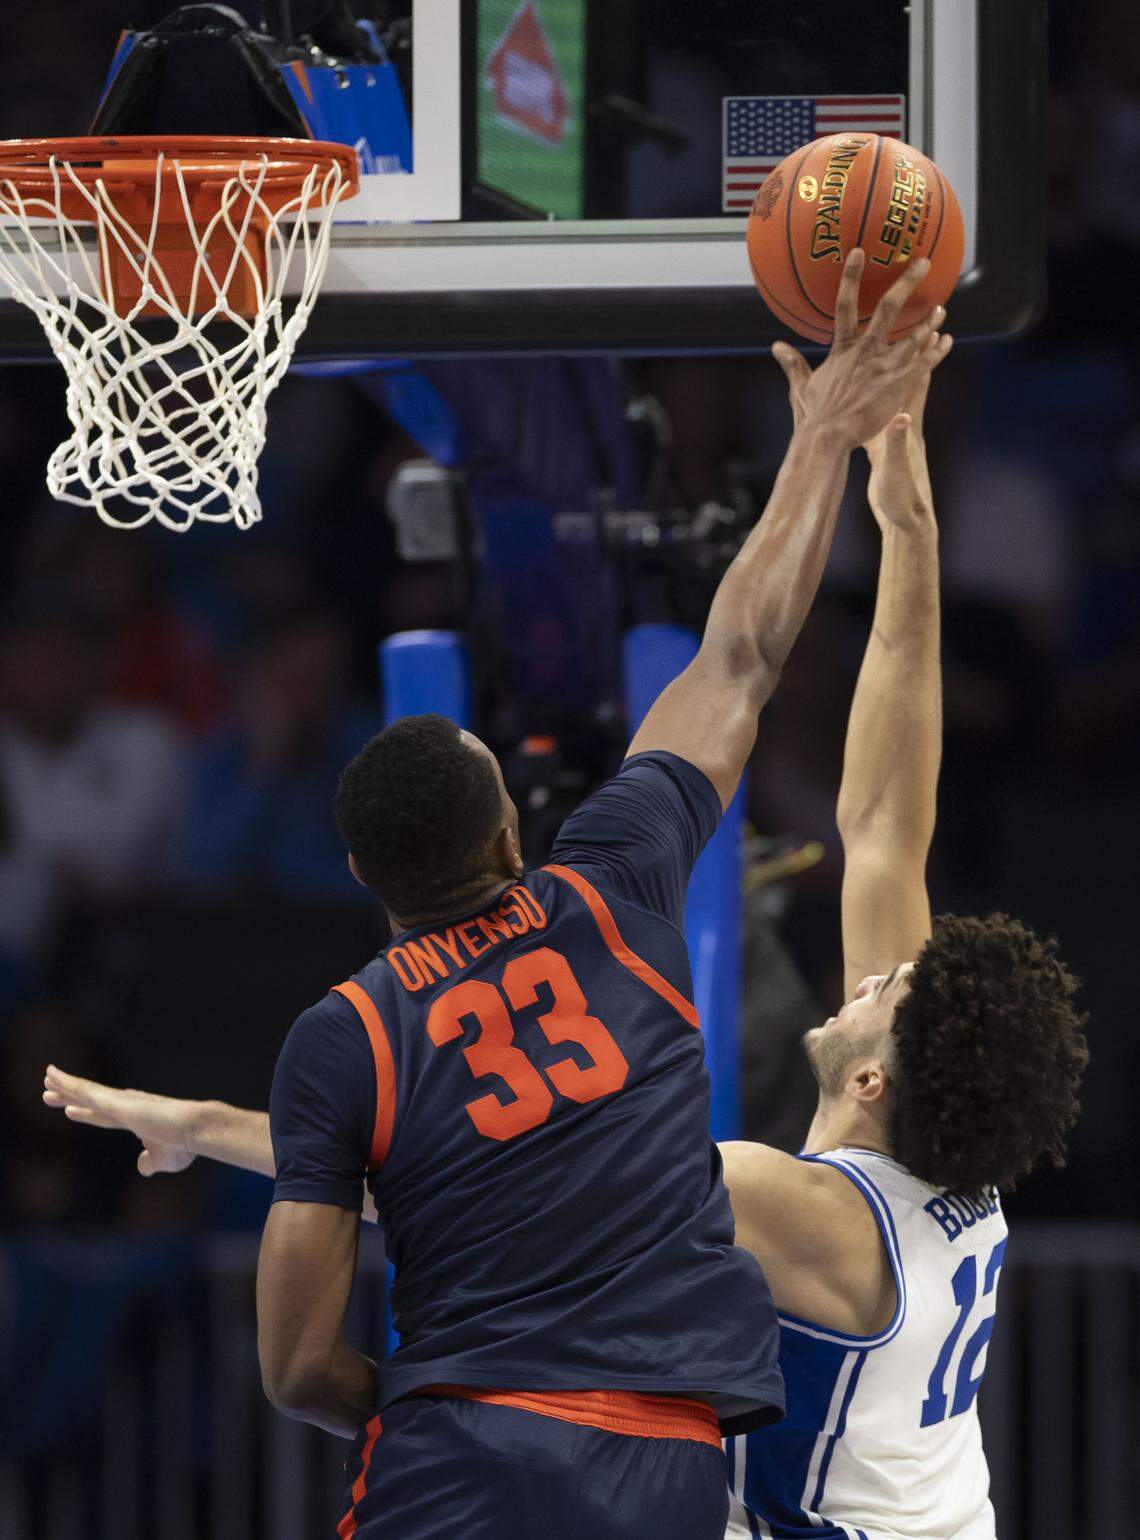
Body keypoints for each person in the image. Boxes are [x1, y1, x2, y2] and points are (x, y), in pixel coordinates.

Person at [43, 254, 951, 1540]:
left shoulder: (342, 1035)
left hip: (456, 1458)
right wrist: (818, 437)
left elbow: (300, 1366)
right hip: (660, 1459)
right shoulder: (616, 885)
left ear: (364, 877)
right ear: (512, 828)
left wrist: (437, 1406)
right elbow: (742, 651)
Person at [715, 365, 1088, 1538]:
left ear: (875, 1077)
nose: (871, 971)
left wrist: (234, 1134)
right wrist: (907, 526)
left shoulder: (807, 1208)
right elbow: (882, 827)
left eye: (887, 992)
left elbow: (493, 1180)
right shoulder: (939, 1136)